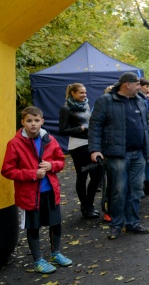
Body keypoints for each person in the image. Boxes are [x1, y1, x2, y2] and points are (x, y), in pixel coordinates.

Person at [2, 106, 72, 274]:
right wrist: (32, 174)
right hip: (29, 195)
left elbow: (60, 161)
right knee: (33, 226)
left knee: (55, 223)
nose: (33, 124)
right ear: (22, 122)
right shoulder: (15, 143)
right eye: (29, 121)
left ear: (42, 121)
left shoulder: (50, 139)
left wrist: (51, 165)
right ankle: (38, 259)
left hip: (50, 192)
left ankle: (56, 254)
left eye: (36, 120)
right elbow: (7, 170)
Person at [89, 72, 149, 239]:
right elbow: (95, 126)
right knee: (118, 190)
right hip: (117, 154)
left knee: (137, 190)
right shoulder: (106, 101)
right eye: (137, 84)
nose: (140, 87)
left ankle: (133, 223)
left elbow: (145, 125)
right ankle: (116, 224)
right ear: (127, 85)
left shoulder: (140, 100)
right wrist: (95, 149)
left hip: (139, 153)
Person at [59, 83, 101, 219]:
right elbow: (62, 130)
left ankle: (89, 204)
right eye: (81, 93)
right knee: (82, 176)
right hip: (77, 146)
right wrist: (80, 129)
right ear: (73, 93)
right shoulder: (66, 109)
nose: (84, 95)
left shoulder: (86, 106)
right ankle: (85, 206)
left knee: (96, 176)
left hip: (91, 144)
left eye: (85, 92)